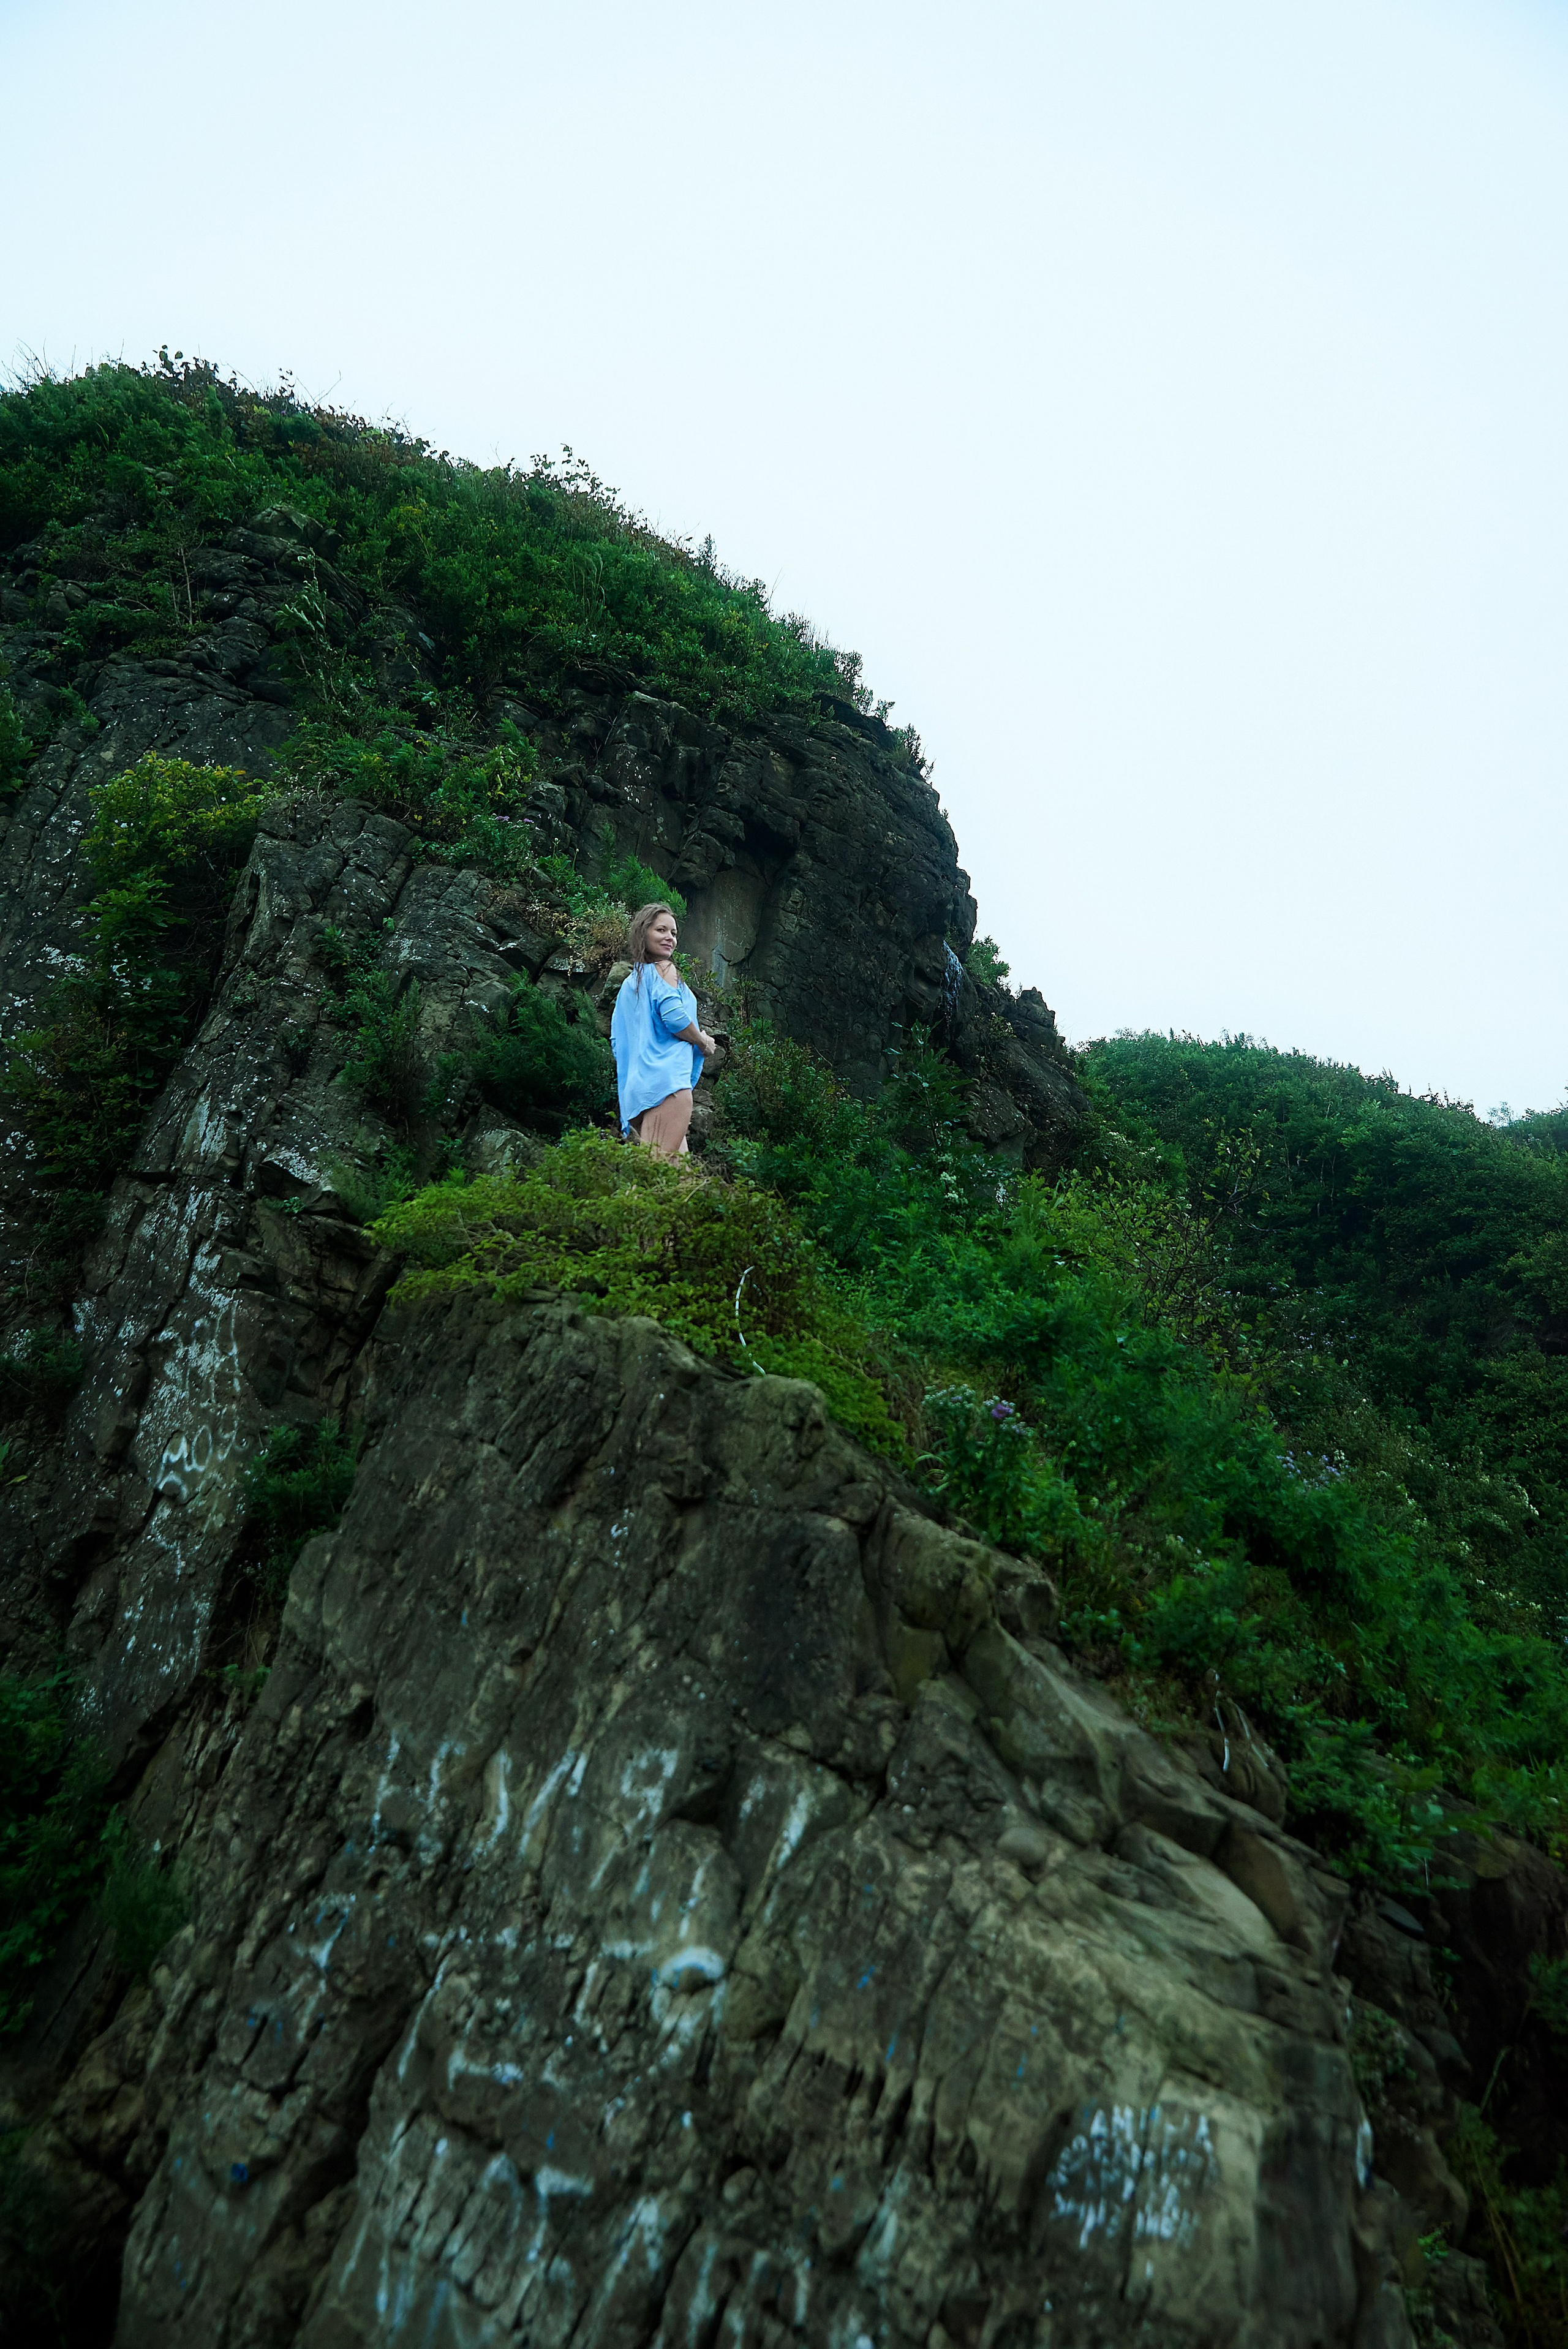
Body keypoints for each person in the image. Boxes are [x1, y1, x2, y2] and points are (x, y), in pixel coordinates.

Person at [610, 902, 717, 1159]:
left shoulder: (631, 983)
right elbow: (675, 1019)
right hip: (667, 1086)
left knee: (680, 1183)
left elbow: (617, 1042)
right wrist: (702, 1042)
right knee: (652, 1178)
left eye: (674, 933)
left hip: (638, 1092)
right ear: (643, 933)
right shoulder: (665, 969)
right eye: (661, 930)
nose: (670, 938)